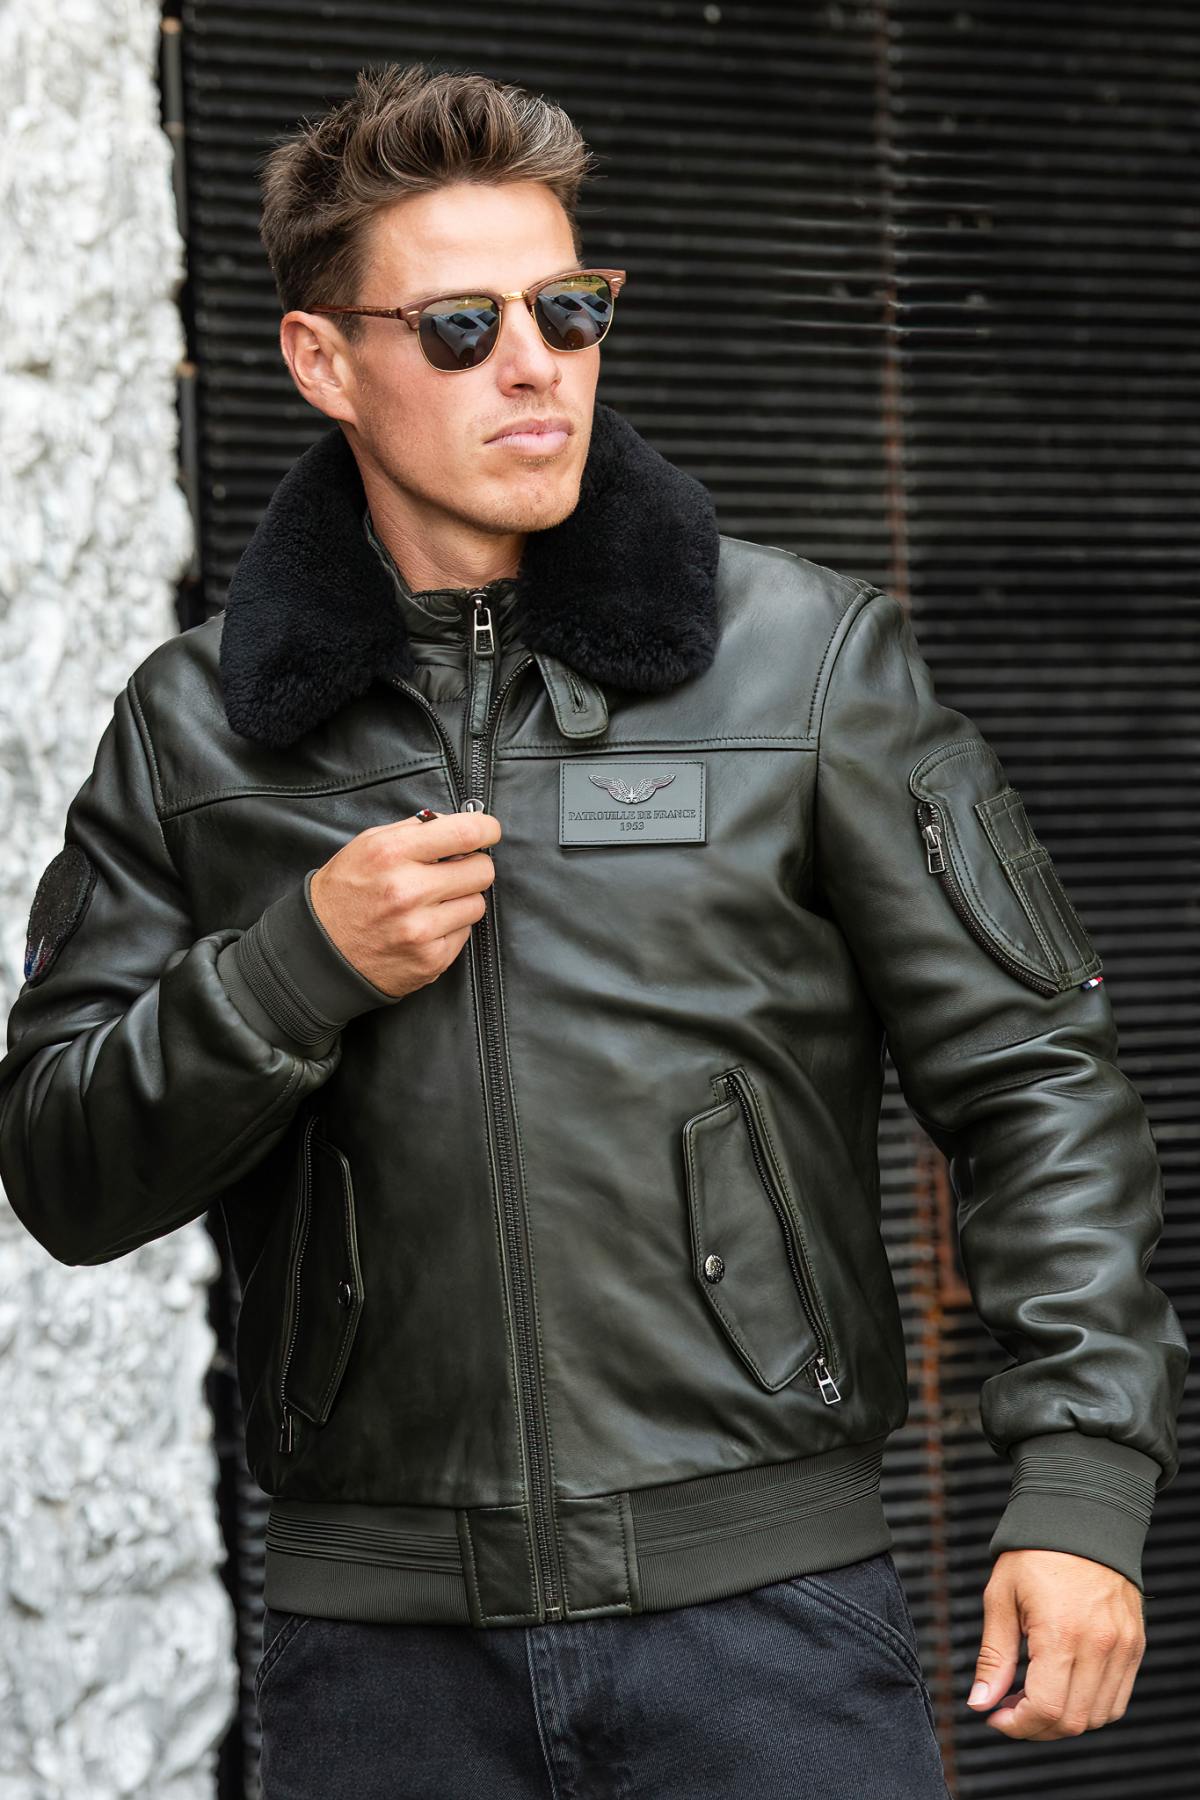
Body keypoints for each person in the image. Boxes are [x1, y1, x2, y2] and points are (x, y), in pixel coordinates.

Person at [0, 59, 1187, 1800]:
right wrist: (289, 971)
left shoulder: (806, 666)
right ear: (323, 362)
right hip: (381, 1666)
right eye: (460, 327)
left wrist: (1083, 1484)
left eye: (569, 308)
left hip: (768, 1630)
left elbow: (1037, 1080)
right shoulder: (195, 730)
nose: (536, 363)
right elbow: (61, 1166)